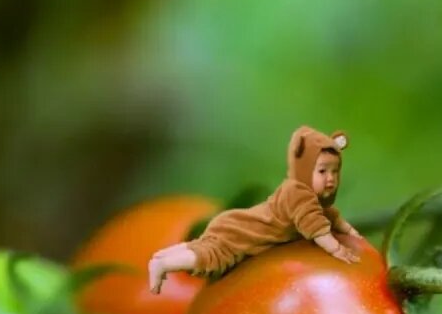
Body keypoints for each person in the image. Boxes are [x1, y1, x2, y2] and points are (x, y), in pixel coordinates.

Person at [147, 125, 361, 294]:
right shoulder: (302, 198)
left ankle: (162, 257)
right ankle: (163, 264)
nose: (330, 178)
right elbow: (319, 231)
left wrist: (351, 233)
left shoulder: (300, 193)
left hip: (237, 223)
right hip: (244, 234)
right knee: (211, 256)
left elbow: (331, 218)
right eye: (323, 171)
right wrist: (337, 250)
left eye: (335, 171)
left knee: (202, 247)